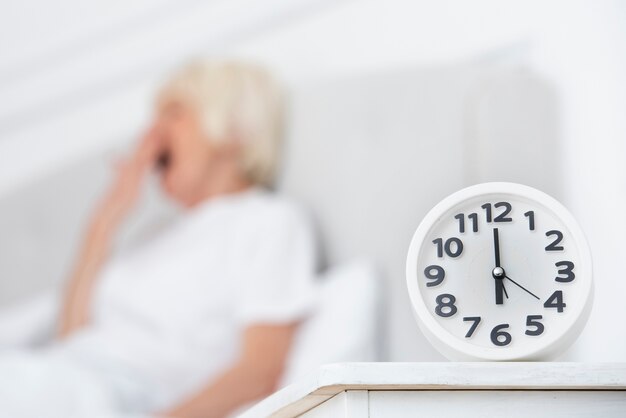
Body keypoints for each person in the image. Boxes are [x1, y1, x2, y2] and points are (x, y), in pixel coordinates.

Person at [0, 60, 318, 418]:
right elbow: (72, 342)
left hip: (112, 397)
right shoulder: (153, 233)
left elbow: (260, 371)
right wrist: (104, 221)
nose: (151, 133)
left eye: (174, 113)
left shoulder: (268, 221)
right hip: (60, 381)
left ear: (234, 130)